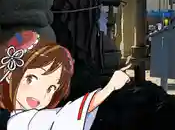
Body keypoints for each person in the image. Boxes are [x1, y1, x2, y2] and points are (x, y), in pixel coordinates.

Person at [1, 30, 132, 130]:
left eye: (51, 88)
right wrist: (110, 88)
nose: (40, 93)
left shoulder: (25, 117)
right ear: (9, 75)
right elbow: (72, 114)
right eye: (31, 79)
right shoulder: (26, 120)